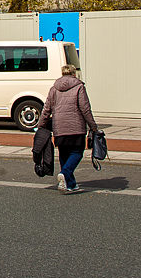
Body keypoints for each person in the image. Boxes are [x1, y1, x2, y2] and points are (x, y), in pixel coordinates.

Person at [36, 63, 99, 194]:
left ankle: (70, 184)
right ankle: (65, 173)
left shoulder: (54, 88)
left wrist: (41, 126)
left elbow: (46, 109)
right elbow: (85, 109)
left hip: (59, 128)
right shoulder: (79, 87)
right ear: (74, 74)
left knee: (63, 154)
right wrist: (93, 126)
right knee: (77, 153)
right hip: (76, 127)